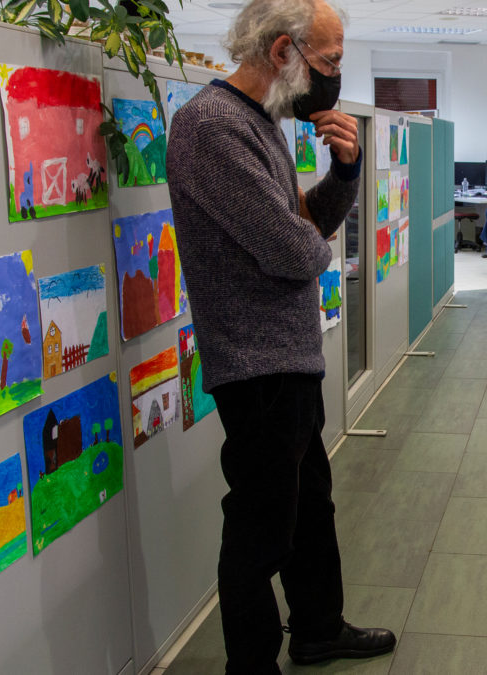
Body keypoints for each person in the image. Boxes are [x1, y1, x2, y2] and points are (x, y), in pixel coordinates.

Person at [165, 0, 396, 672]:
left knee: (309, 507)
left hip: (286, 356)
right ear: (283, 51)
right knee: (260, 530)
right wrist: (307, 241)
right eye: (329, 61)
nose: (333, 76)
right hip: (254, 364)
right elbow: (295, 249)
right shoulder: (211, 128)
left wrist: (347, 174)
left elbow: (304, 224)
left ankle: (319, 626)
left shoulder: (259, 121)